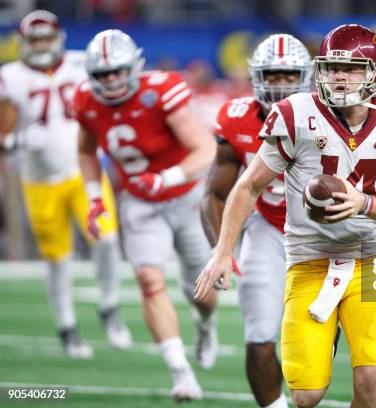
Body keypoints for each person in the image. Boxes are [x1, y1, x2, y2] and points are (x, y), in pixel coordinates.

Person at [196, 24, 376, 408]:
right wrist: (222, 250)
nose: (338, 76)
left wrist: (363, 203)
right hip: (310, 260)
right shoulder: (295, 114)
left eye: (350, 68)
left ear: (374, 73)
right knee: (306, 395)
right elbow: (247, 185)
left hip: (370, 259)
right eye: (332, 67)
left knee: (371, 379)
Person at [74, 29, 216, 401]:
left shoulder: (161, 91)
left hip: (186, 196)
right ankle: (180, 372)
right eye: (103, 75)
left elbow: (204, 150)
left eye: (117, 71)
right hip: (138, 200)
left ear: (134, 65)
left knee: (200, 290)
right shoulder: (86, 101)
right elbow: (86, 152)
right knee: (149, 277)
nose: (111, 81)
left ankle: (206, 326)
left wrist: (165, 177)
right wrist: (94, 197)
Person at [0, 10, 131, 359]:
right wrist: (17, 140)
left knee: (106, 239)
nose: (41, 46)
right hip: (39, 180)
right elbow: (3, 135)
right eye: (35, 40)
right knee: (57, 259)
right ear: (24, 43)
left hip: (81, 171)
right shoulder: (9, 77)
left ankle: (109, 306)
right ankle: (67, 327)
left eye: (46, 38)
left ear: (57, 38)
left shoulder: (81, 64)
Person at [202, 34, 312, 408]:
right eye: (273, 75)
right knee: (260, 334)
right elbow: (216, 194)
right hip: (267, 228)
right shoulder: (236, 119)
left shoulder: (327, 117)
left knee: (316, 353)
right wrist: (222, 249)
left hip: (324, 234)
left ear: (306, 76)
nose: (280, 84)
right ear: (256, 77)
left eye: (288, 75)